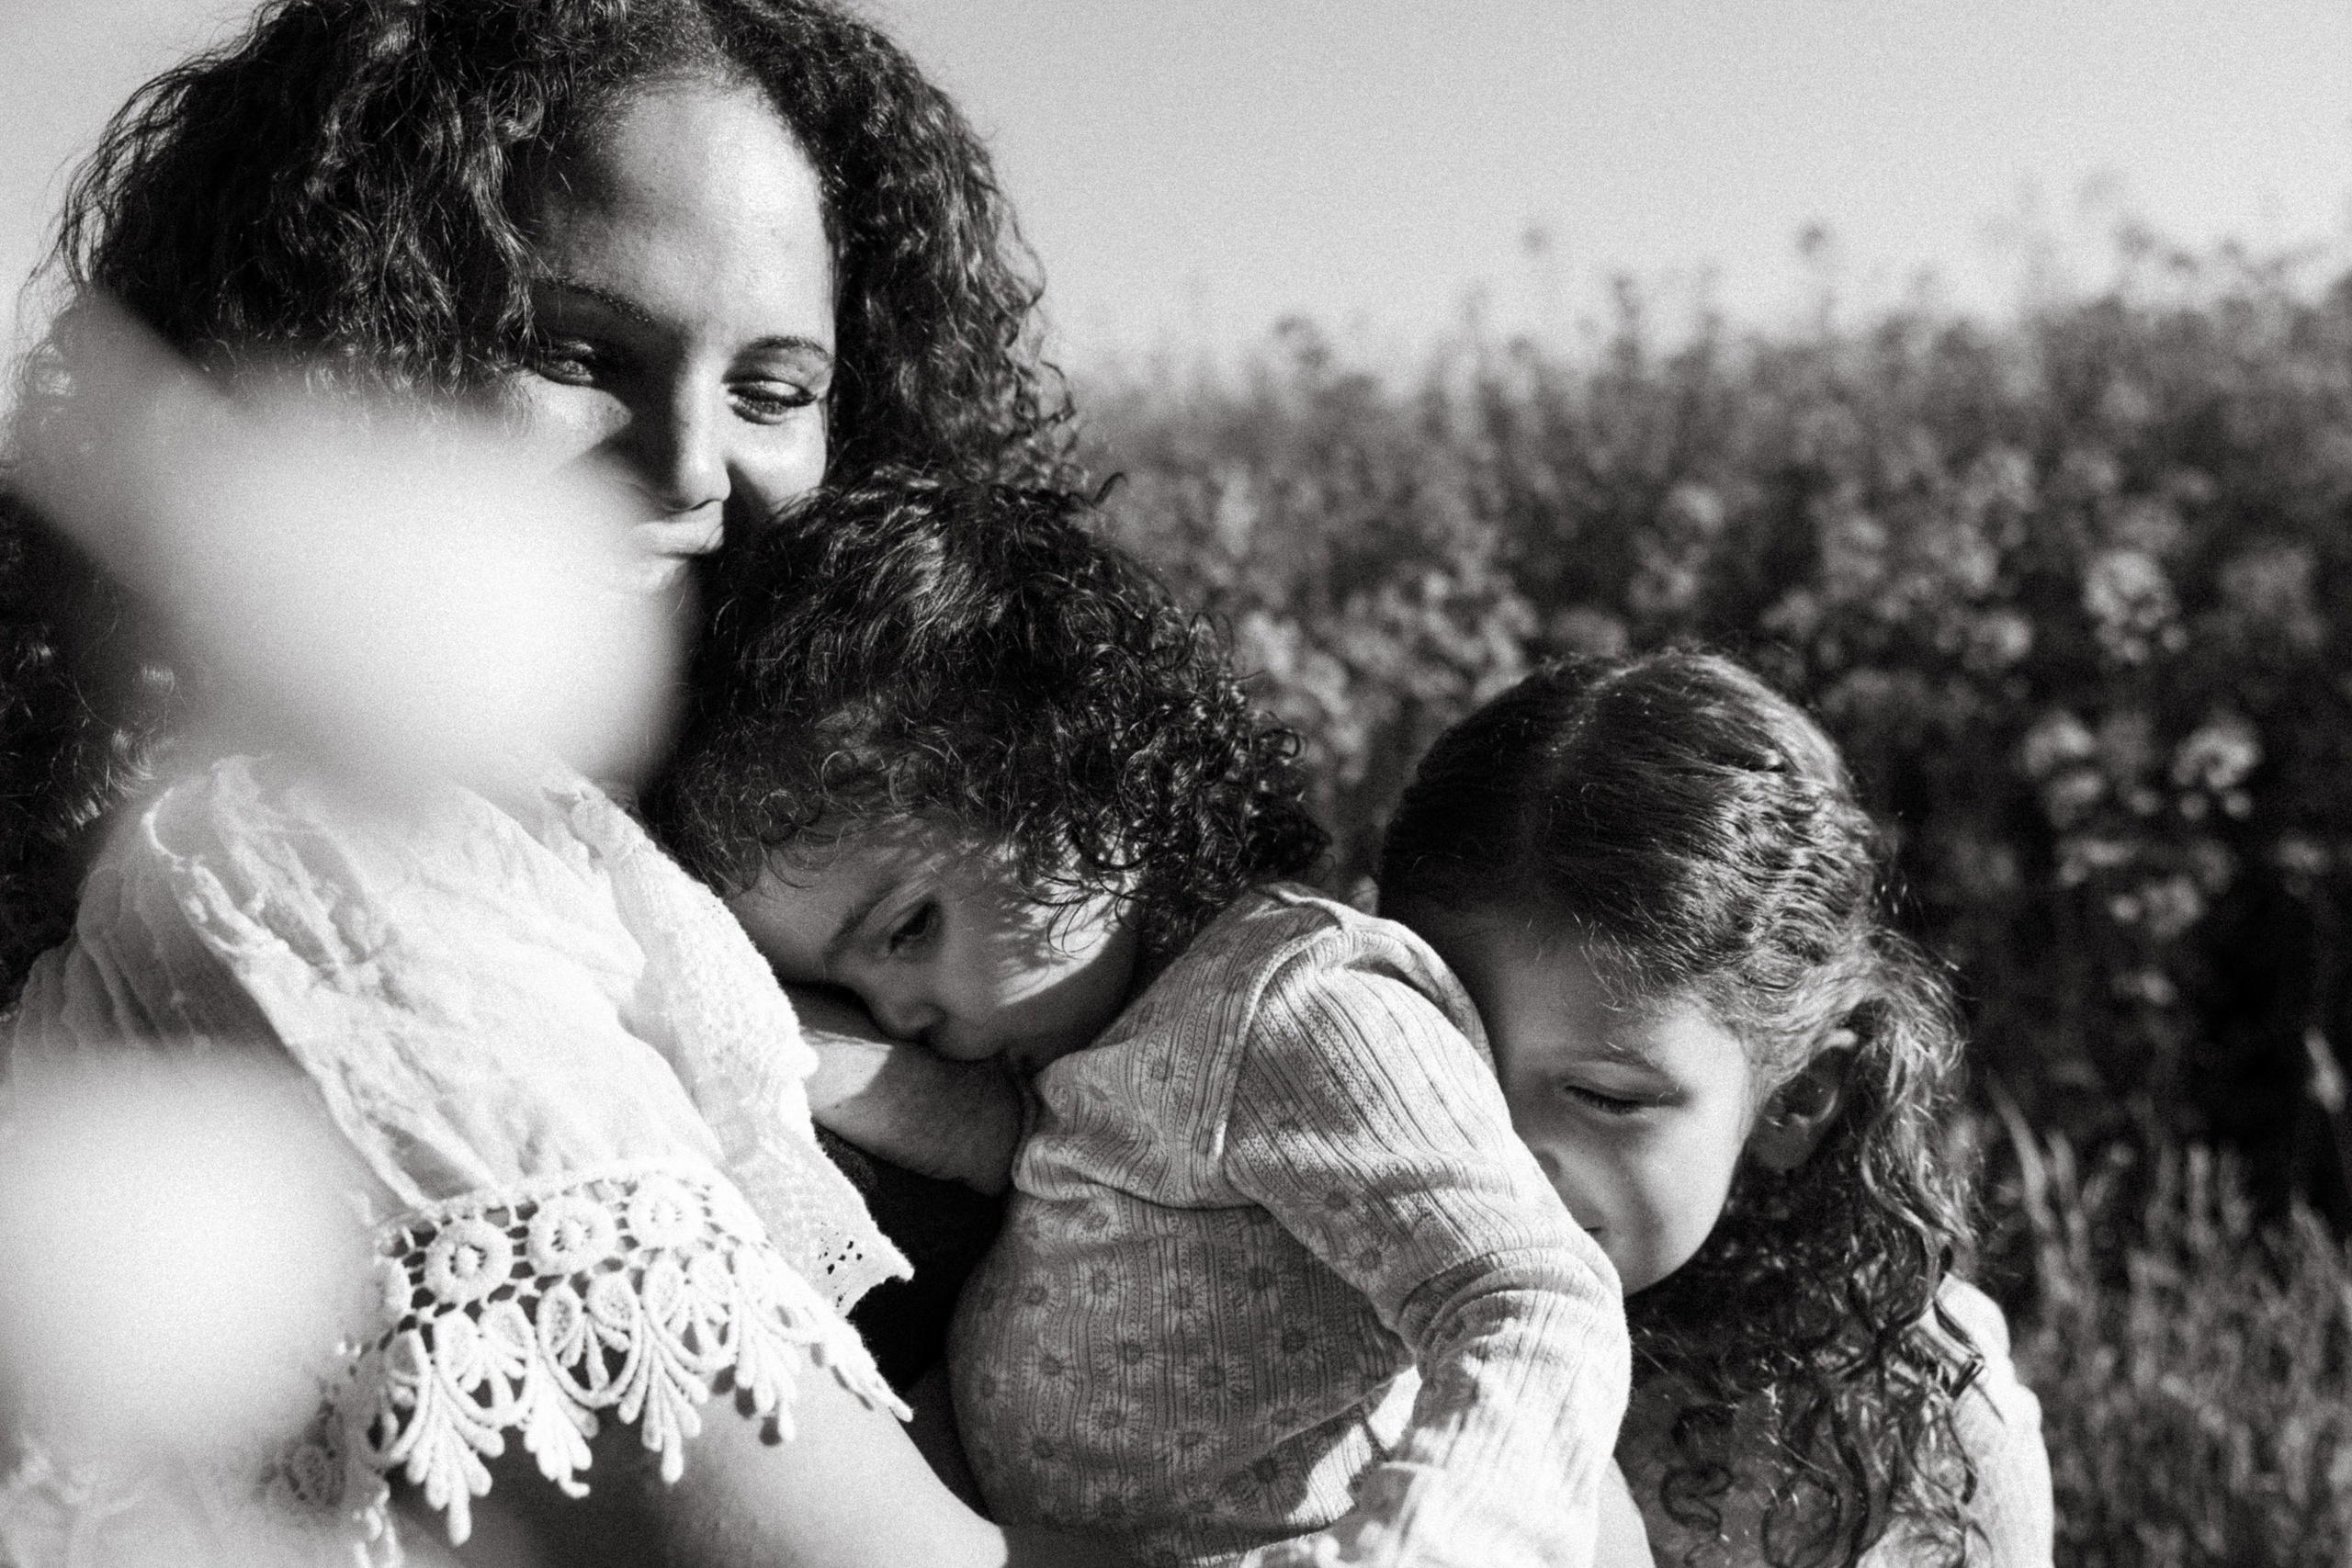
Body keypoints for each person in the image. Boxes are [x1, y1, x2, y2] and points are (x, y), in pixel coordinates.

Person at [0, 1, 1133, 1563]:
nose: (686, 464)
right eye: (571, 350)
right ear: (338, 357)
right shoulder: (314, 863)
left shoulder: (717, 897)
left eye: (776, 387)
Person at [646, 476, 1637, 1568]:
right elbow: (1016, 1141)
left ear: (1076, 775)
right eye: (856, 989)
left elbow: (1530, 1296)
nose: (902, 1013)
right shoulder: (1097, 1046)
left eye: (910, 927)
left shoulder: (1294, 1006)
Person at [1378, 651, 2056, 1568]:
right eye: (1438, 1063)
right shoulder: (1295, 1322)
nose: (1497, 1150)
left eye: (1604, 1098)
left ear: (1797, 1097)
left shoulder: (1914, 1416)